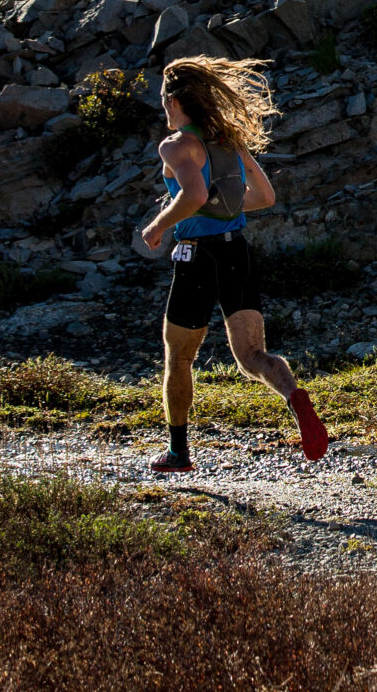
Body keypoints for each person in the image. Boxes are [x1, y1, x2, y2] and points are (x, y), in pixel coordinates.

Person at [138, 54, 329, 470]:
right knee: (252, 356)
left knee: (179, 357)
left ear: (176, 101)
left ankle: (178, 452)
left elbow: (194, 197)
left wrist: (158, 225)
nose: (163, 110)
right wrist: (214, 205)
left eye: (164, 101)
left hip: (198, 257)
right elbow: (264, 197)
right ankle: (295, 398)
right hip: (236, 251)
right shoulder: (228, 140)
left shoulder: (176, 145)